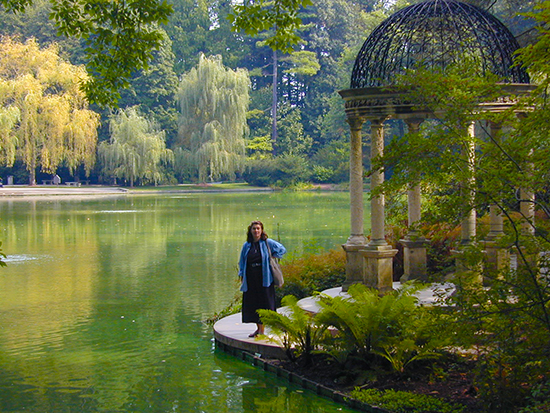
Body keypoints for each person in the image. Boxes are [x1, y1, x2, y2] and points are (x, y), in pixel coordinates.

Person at [238, 220, 286, 338]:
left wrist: (272, 257)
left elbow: (282, 249)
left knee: (264, 303)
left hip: (265, 278)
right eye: (254, 229)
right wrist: (241, 275)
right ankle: (258, 329)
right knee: (253, 303)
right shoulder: (247, 245)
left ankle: (262, 330)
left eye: (258, 229)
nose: (256, 231)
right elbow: (242, 261)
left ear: (262, 230)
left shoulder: (267, 243)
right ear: (250, 231)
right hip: (251, 279)